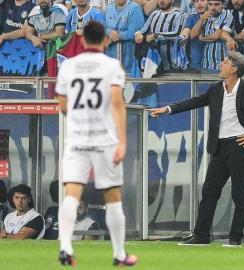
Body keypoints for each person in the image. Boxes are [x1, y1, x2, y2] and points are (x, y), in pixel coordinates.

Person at [147, 51, 244, 246]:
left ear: (234, 69)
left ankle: (235, 239)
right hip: (219, 146)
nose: (220, 64)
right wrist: (167, 109)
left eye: (225, 62)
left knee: (239, 194)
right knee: (209, 192)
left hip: (239, 145)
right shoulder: (216, 89)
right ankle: (201, 236)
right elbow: (194, 101)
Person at [55, 21, 136, 266]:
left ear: (82, 40)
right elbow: (117, 103)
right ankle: (120, 255)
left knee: (71, 193)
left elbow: (62, 103)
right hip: (105, 138)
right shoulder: (112, 66)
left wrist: (79, 119)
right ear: (105, 40)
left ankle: (66, 248)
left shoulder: (68, 66)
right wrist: (122, 142)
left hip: (77, 137)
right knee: (112, 196)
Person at [135, 0, 185, 72]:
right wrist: (138, 34)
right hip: (154, 63)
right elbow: (143, 31)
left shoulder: (179, 14)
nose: (162, 1)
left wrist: (156, 35)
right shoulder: (154, 14)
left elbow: (177, 34)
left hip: (173, 64)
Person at [105, 0, 144, 73]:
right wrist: (109, 32)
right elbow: (103, 28)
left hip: (129, 57)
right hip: (111, 57)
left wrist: (115, 35)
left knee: (129, 82)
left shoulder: (135, 8)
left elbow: (136, 32)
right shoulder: (108, 9)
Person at [180, 0, 208, 71]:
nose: (199, 3)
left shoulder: (219, 16)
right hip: (195, 64)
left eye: (202, 0)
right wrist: (182, 38)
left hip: (213, 63)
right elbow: (186, 32)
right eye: (196, 1)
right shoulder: (192, 17)